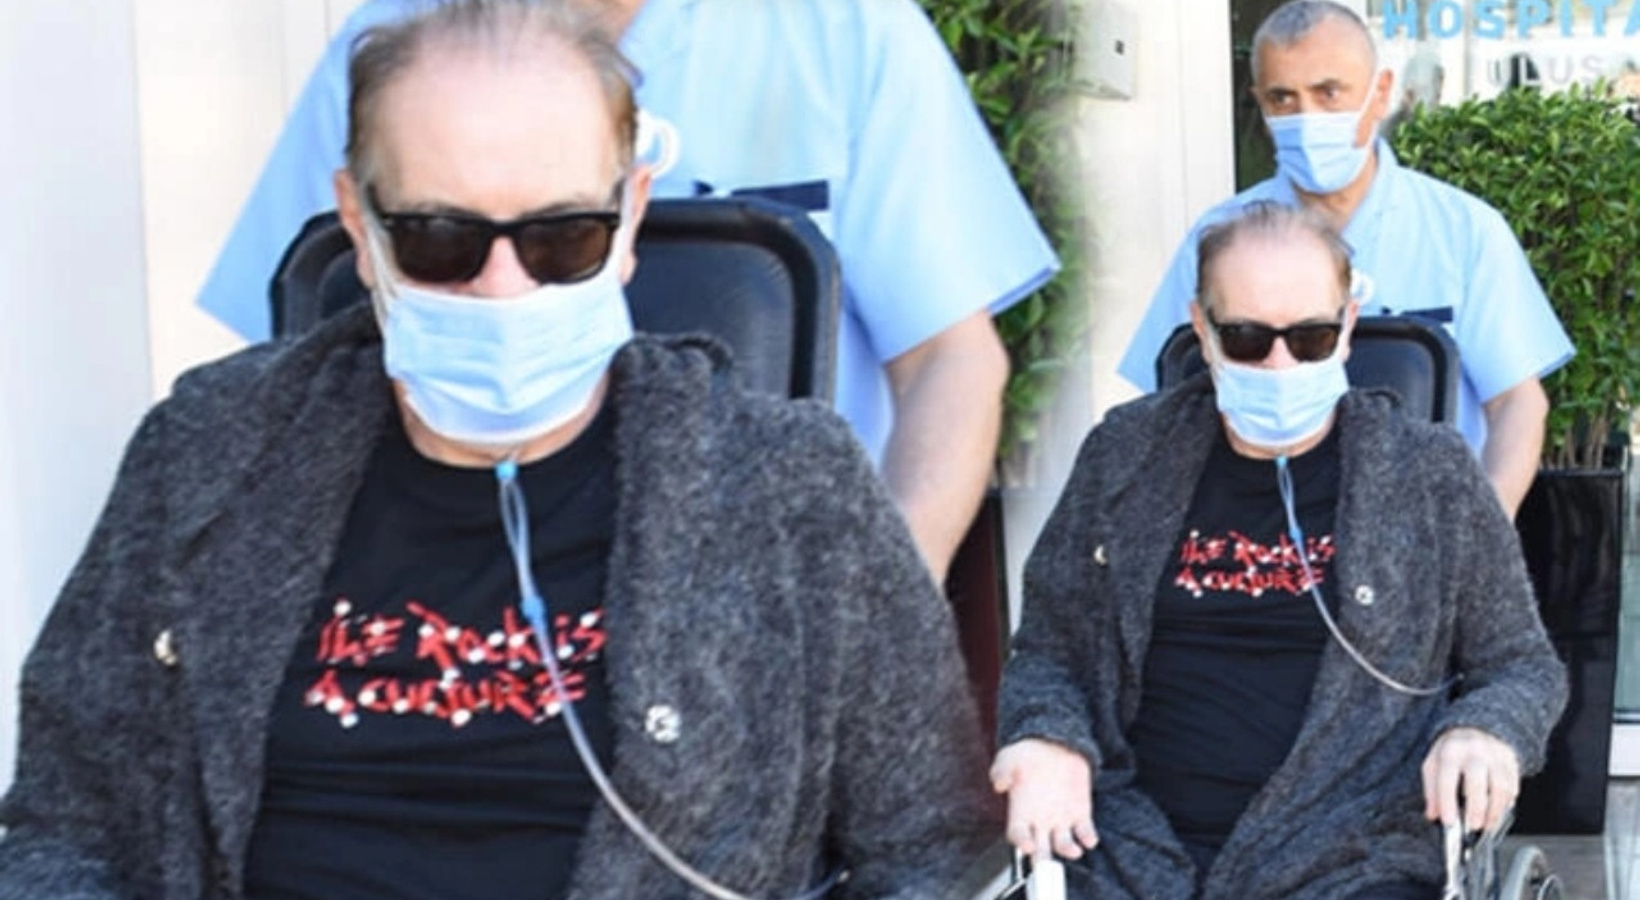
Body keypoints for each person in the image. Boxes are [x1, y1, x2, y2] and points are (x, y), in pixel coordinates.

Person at [0, 3, 997, 898]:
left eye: (563, 238)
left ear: (631, 215)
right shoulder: (207, 457)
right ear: (357, 225)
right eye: (440, 239)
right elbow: (65, 828)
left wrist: (864, 629)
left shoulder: (788, 493)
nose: (503, 289)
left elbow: (935, 852)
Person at [196, 0, 1059, 581]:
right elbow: (298, 364)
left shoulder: (849, 32)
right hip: (446, 603)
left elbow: (950, 363)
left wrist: (880, 618)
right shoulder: (398, 49)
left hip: (768, 597)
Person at [991, 203, 1566, 900]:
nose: (1280, 363)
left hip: (1348, 856)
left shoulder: (1428, 474)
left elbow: (1520, 664)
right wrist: (1047, 736)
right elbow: (1048, 651)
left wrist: (1485, 729)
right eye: (1246, 338)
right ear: (1202, 330)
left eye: (1311, 337)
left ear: (1348, 327)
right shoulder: (1124, 455)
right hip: (1130, 847)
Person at [1117, 0, 1571, 519]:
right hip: (1257, 534)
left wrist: (1481, 535)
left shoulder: (1464, 231)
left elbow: (1517, 404)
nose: (1307, 118)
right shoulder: (1220, 240)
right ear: (1259, 104)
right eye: (1283, 98)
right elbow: (1162, 401)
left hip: (1421, 528)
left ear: (1380, 92)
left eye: (1329, 92)